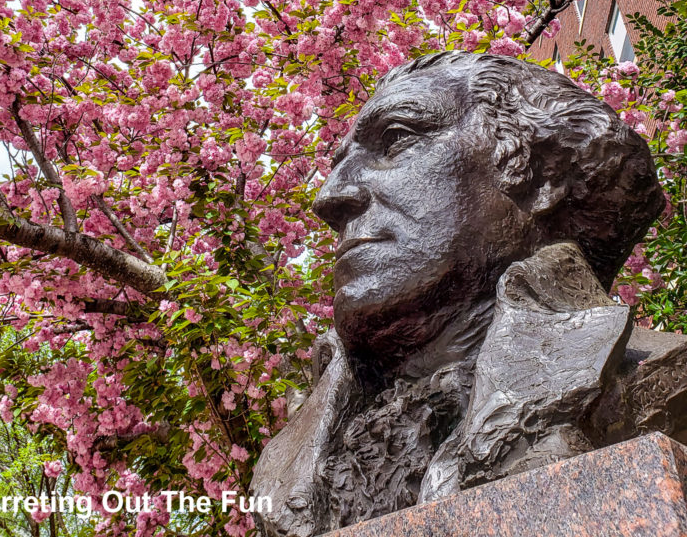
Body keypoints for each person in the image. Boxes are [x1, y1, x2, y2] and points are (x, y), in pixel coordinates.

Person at [251, 53, 687, 537]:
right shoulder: (300, 452)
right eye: (339, 164)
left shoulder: (661, 378)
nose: (329, 197)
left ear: (541, 176)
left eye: (396, 138)